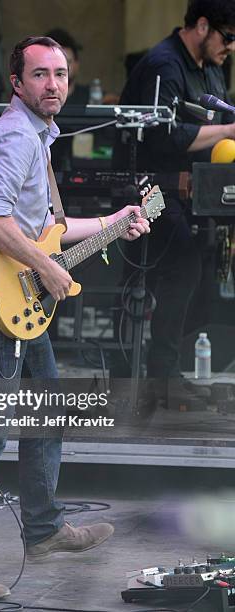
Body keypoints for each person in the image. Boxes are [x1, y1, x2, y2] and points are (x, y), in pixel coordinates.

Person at [0, 36, 150, 601]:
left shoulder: (37, 137)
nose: (54, 84)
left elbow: (44, 227)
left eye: (61, 74)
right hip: (6, 304)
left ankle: (45, 530)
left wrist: (116, 219)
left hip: (24, 303)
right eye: (41, 75)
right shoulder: (15, 138)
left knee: (47, 409)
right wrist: (48, 271)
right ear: (17, 84)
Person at [113, 0, 235, 399]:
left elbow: (214, 128)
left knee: (195, 270)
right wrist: (229, 131)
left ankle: (170, 371)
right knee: (182, 266)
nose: (230, 47)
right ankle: (160, 377)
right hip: (150, 191)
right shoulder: (164, 65)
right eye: (228, 37)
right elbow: (166, 137)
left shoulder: (213, 67)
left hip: (193, 192)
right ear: (202, 26)